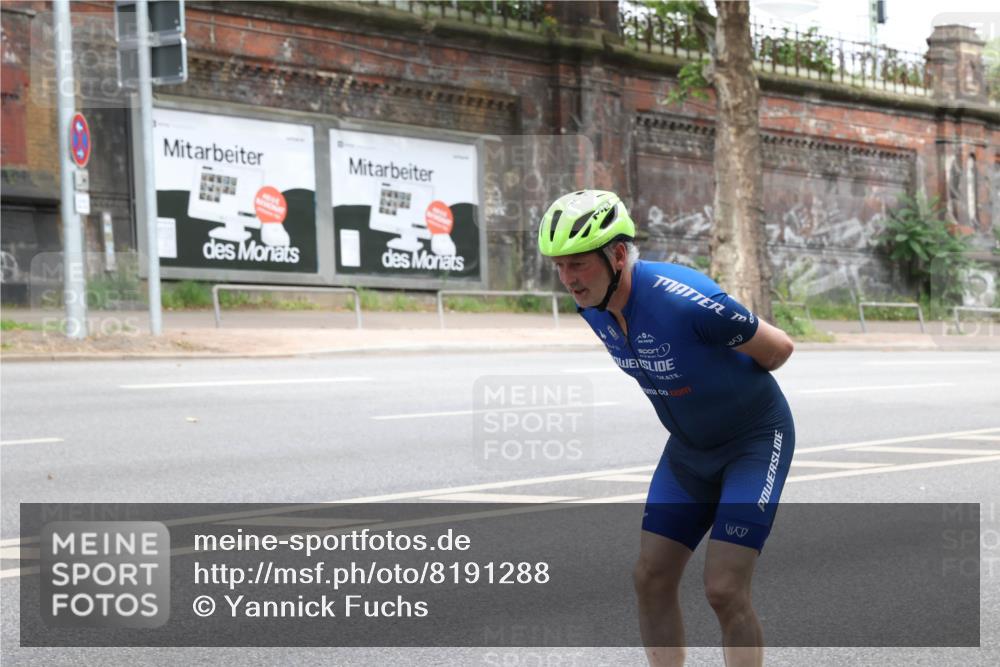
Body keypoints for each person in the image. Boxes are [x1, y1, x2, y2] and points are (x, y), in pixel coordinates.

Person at [537, 190, 796, 667]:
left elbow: (779, 348)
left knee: (724, 588)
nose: (568, 279)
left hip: (753, 443)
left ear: (617, 255)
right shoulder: (593, 306)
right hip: (689, 453)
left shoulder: (686, 300)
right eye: (560, 266)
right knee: (651, 577)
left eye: (577, 264)